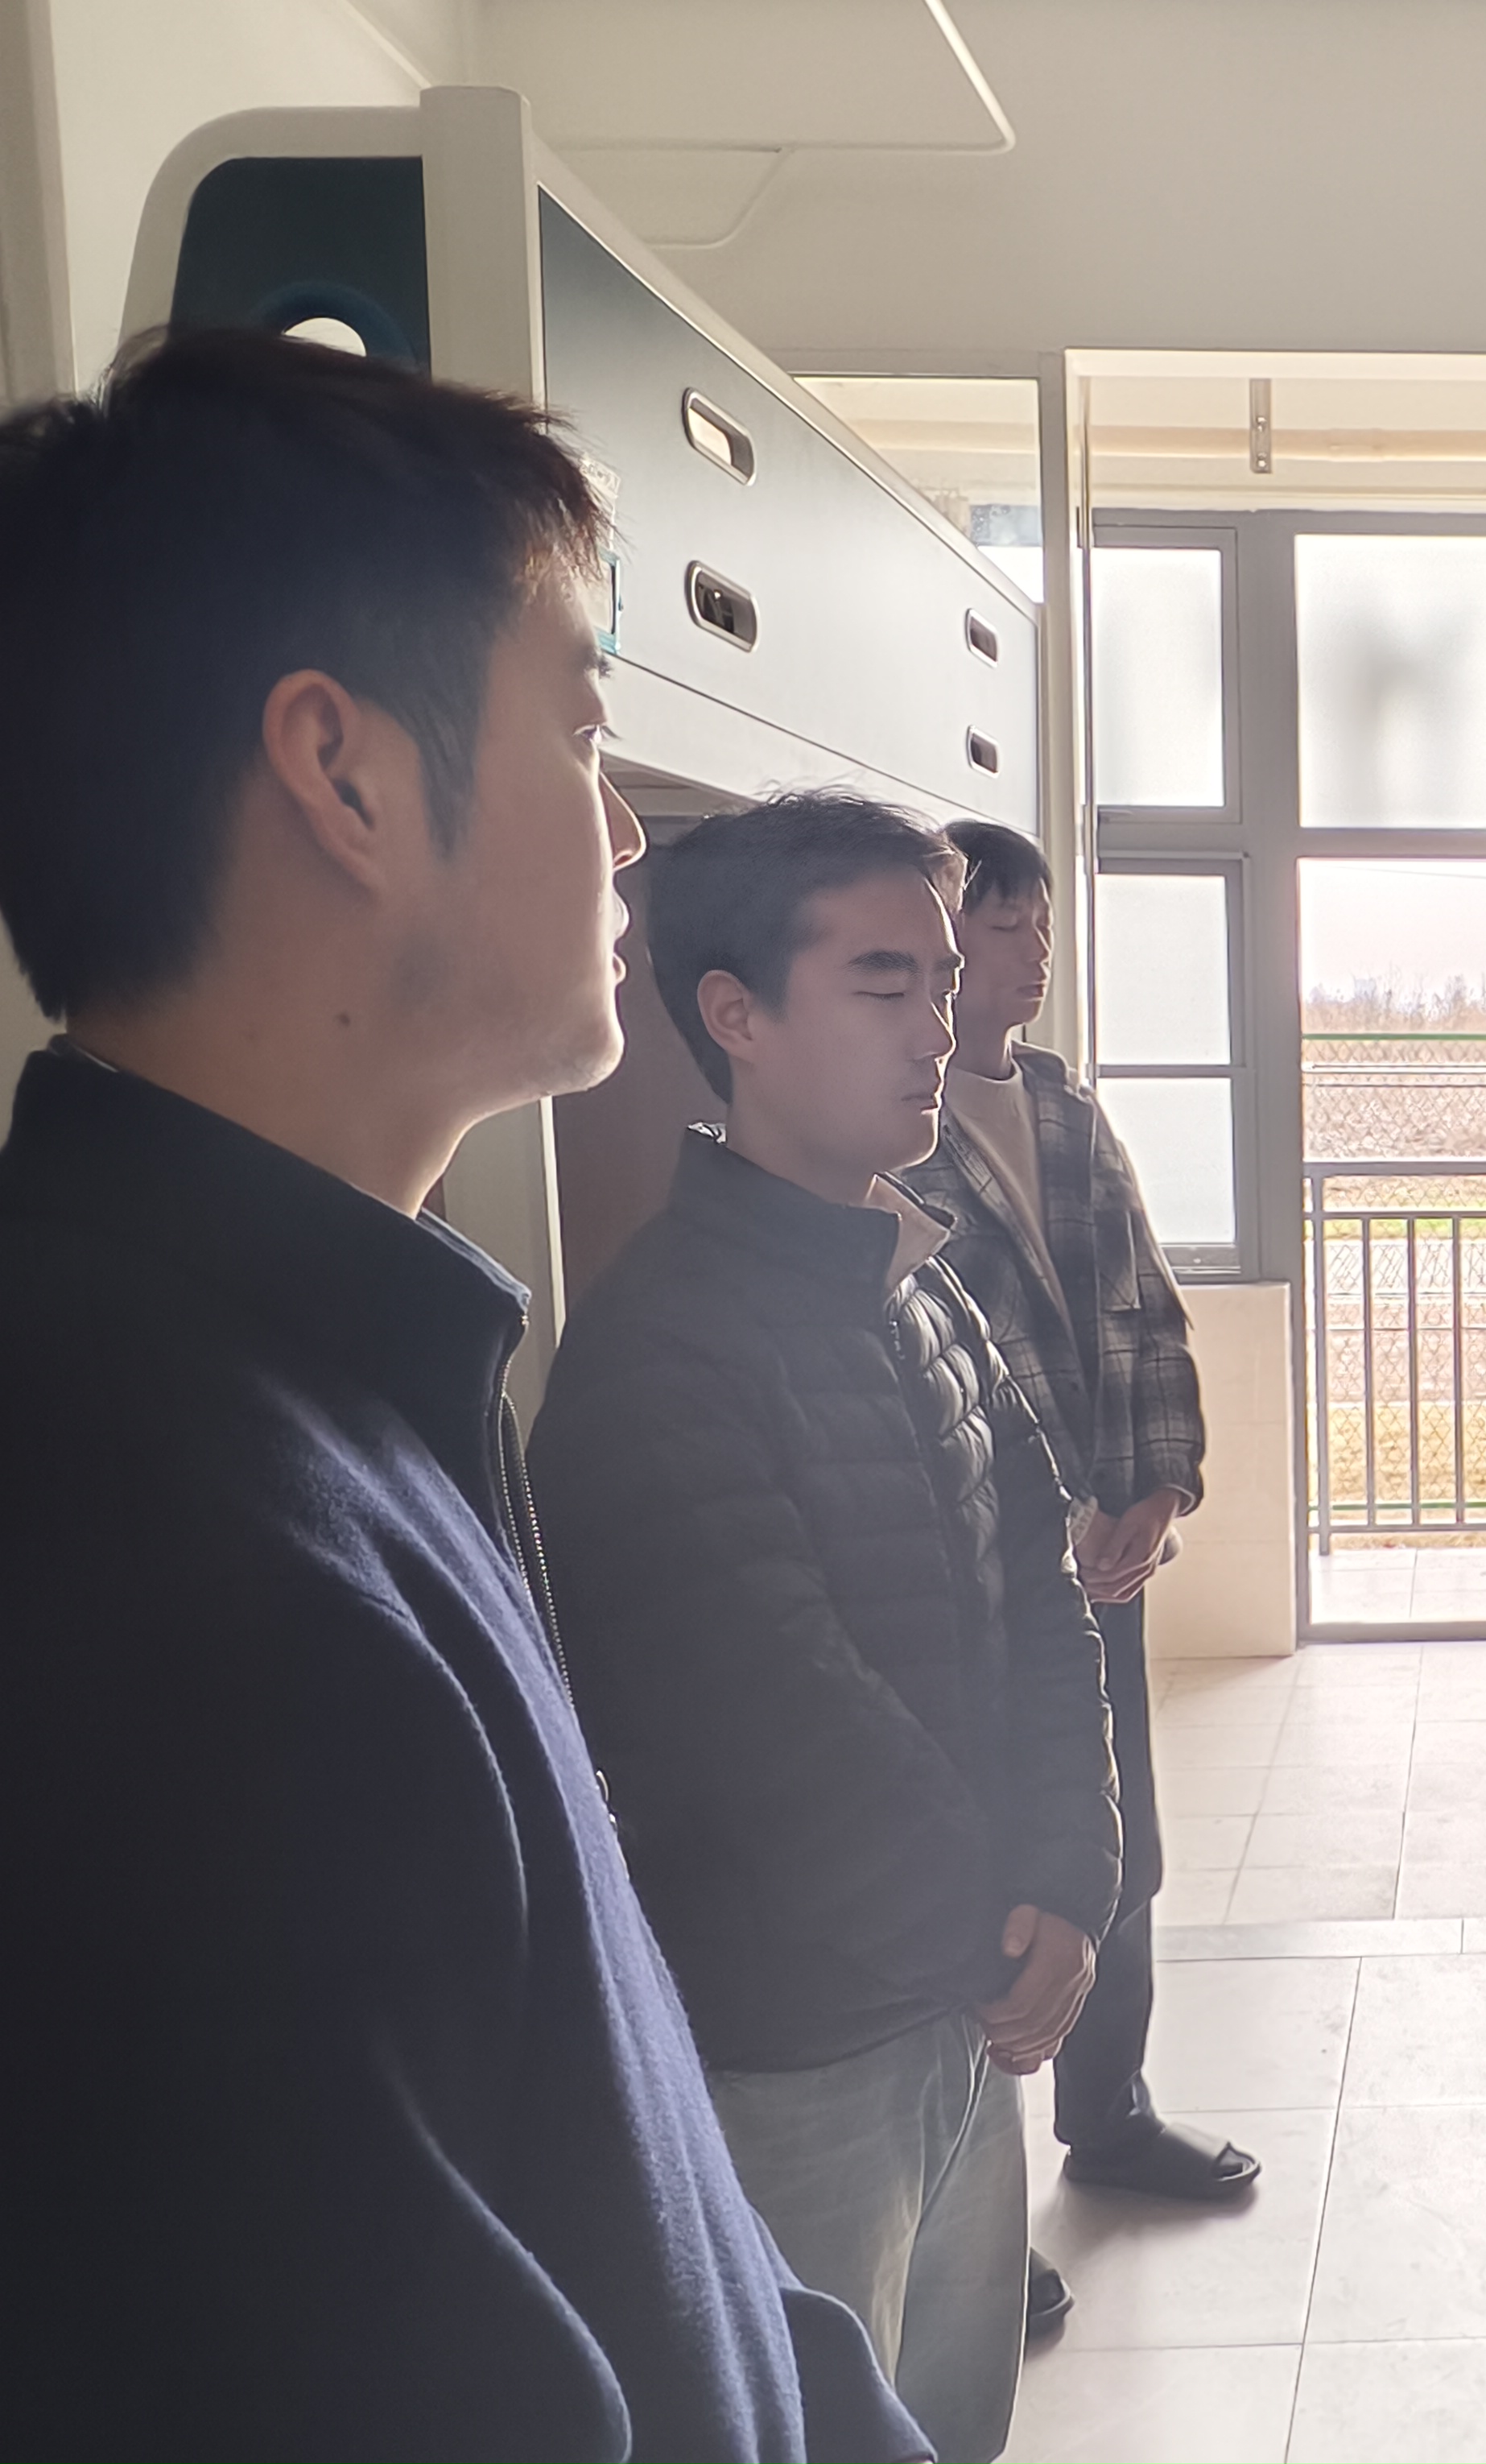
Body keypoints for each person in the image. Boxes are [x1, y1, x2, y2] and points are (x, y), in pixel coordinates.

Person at [0, 330, 921, 2460]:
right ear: (342, 775)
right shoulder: (154, 1566)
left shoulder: (355, 1376)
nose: (627, 829)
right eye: (581, 730)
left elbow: (628, 2182)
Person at [527, 796, 1121, 2464]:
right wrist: (996, 1935)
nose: (939, 1028)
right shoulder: (658, 1352)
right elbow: (780, 1729)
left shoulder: (920, 1286)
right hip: (795, 2051)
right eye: (882, 983)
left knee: (956, 2427)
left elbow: (1045, 1605)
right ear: (735, 1013)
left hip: (963, 2012)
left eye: (942, 982)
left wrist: (1072, 1878)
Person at [898, 822, 1249, 2341]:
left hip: (1101, 1565)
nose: (1033, 953)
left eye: (1043, 926)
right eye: (1005, 926)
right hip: (979, 1575)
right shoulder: (893, 1131)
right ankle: (969, 2221)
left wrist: (1158, 1488)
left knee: (1120, 1843)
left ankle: (1110, 2115)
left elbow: (1146, 1312)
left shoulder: (1065, 1109)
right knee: (989, 1868)